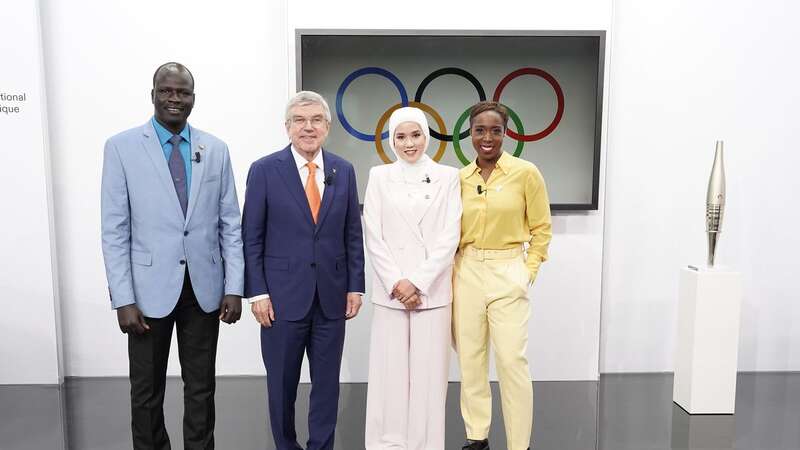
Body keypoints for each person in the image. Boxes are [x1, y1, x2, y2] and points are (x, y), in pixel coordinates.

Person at [100, 62, 244, 450]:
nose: (174, 99)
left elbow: (230, 222)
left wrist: (235, 287)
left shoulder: (215, 149)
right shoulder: (121, 147)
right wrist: (123, 298)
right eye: (167, 91)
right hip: (146, 295)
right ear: (153, 95)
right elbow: (115, 230)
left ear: (193, 98)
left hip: (205, 290)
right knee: (146, 391)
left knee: (201, 388)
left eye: (183, 93)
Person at [241, 91, 365, 450]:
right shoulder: (264, 170)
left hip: (331, 297)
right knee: (281, 385)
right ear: (287, 127)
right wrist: (258, 293)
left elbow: (352, 234)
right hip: (280, 300)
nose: (308, 127)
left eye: (316, 120)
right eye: (300, 120)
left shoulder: (344, 169)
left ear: (327, 126)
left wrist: (355, 285)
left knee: (327, 385)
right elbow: (252, 236)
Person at [453, 101, 552, 450]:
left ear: (505, 133)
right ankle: (476, 436)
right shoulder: (459, 179)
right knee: (471, 359)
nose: (487, 137)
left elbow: (542, 228)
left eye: (495, 130)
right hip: (465, 272)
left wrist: (528, 271)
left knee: (512, 362)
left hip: (509, 269)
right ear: (470, 133)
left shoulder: (526, 173)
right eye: (480, 129)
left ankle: (519, 444)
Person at [362, 107, 462, 449]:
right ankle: (385, 443)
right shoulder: (378, 176)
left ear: (427, 136)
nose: (409, 143)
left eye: (416, 135)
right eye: (401, 137)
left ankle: (425, 443)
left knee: (429, 377)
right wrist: (397, 283)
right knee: (388, 374)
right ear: (391, 140)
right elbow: (372, 235)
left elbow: (451, 236)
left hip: (431, 291)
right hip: (391, 292)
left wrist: (417, 282)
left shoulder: (449, 177)